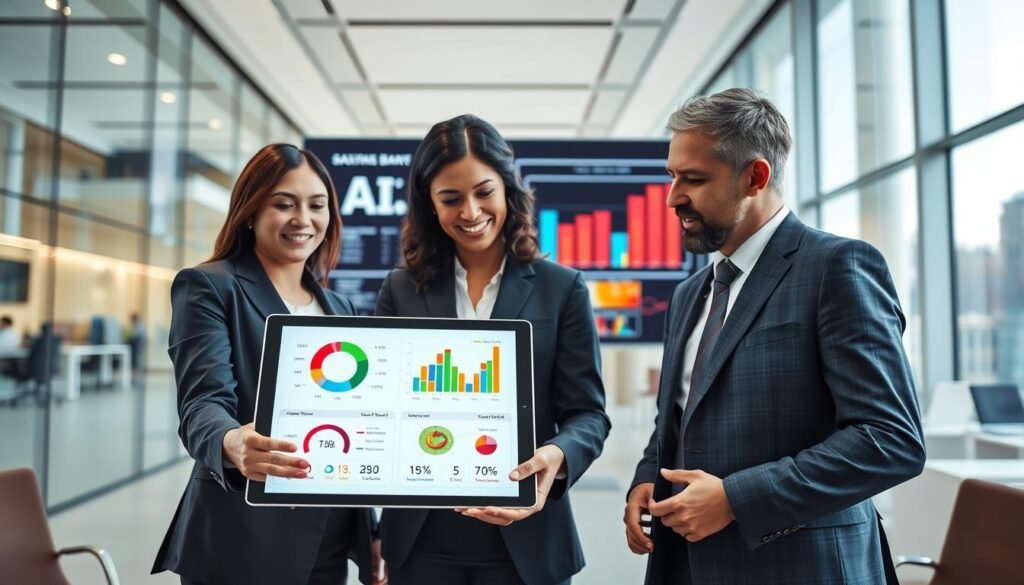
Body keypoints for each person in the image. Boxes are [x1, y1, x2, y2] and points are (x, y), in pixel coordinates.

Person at [623, 88, 925, 585]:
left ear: (756, 177)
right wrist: (646, 478)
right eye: (672, 176)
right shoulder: (689, 294)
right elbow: (677, 418)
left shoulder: (837, 267)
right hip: (685, 564)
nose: (674, 196)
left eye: (694, 179)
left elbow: (890, 440)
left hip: (799, 566)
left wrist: (736, 499)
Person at [375, 114, 611, 585]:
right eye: (450, 198)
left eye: (484, 192)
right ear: (430, 205)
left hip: (527, 538)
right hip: (422, 541)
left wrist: (557, 455)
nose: (470, 211)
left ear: (507, 189)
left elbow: (588, 414)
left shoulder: (561, 288)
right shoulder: (400, 291)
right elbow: (379, 409)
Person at [151, 144, 385, 585]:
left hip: (330, 537)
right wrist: (232, 442)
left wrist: (371, 531)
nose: (304, 219)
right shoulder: (210, 286)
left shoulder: (342, 308)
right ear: (250, 210)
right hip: (244, 536)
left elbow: (356, 428)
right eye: (284, 204)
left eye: (317, 206)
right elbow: (201, 404)